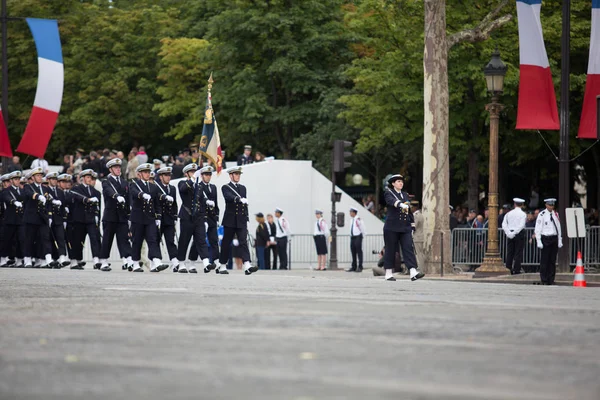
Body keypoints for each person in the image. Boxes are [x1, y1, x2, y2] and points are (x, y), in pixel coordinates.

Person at [382, 174, 424, 282]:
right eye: (398, 181)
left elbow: (408, 211)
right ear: (393, 184)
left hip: (404, 226)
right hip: (392, 226)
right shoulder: (388, 193)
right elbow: (390, 201)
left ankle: (413, 271)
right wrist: (400, 204)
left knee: (408, 248)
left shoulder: (405, 195)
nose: (401, 183)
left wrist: (412, 225)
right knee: (390, 249)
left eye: (401, 181)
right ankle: (388, 273)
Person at [216, 166, 257, 275]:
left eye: (239, 174)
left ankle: (247, 264)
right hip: (230, 219)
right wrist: (238, 199)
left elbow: (245, 205)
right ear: (231, 175)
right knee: (226, 242)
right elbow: (228, 197)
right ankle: (223, 265)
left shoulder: (243, 188)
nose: (238, 176)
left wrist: (247, 218)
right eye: (236, 174)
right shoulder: (226, 187)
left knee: (243, 241)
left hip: (241, 220)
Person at [176, 163, 213, 274]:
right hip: (186, 217)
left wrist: (205, 218)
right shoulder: (182, 183)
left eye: (195, 172)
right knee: (184, 240)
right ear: (186, 174)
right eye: (192, 172)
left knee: (201, 240)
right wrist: (192, 179)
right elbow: (183, 189)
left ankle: (206, 263)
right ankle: (181, 263)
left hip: (198, 217)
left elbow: (201, 202)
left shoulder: (200, 186)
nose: (194, 174)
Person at [99, 158, 133, 272]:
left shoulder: (124, 182)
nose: (118, 169)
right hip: (110, 215)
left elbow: (128, 200)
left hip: (122, 216)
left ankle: (128, 259)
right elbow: (108, 191)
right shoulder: (106, 181)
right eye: (115, 168)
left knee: (124, 239)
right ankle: (103, 260)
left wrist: (129, 215)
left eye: (119, 167)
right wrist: (116, 196)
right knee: (107, 239)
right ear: (110, 169)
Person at [22, 168, 54, 268]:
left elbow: (48, 203)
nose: (40, 177)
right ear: (33, 177)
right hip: (31, 217)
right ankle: (27, 259)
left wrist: (49, 216)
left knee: (45, 238)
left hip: (42, 218)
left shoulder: (45, 188)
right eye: (37, 176)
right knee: (29, 239)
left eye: (41, 175)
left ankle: (48, 259)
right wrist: (37, 196)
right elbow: (28, 194)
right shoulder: (28, 186)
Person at [69, 169, 102, 269]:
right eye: (87, 177)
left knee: (94, 239)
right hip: (79, 219)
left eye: (91, 178)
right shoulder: (77, 188)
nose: (89, 179)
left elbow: (98, 207)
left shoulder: (95, 192)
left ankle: (96, 260)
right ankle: (75, 260)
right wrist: (86, 199)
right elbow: (74, 195)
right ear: (83, 178)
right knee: (78, 240)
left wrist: (97, 217)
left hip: (91, 219)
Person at [154, 167, 178, 272]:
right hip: (159, 218)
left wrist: (175, 216)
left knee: (170, 241)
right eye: (166, 175)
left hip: (169, 219)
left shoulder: (172, 188)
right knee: (156, 241)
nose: (168, 177)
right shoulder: (155, 187)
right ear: (161, 176)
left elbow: (174, 204)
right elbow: (156, 197)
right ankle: (154, 262)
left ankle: (174, 261)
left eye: (169, 175)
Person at [534, 198, 562, 285]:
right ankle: (544, 279)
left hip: (554, 238)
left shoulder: (555, 214)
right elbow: (538, 229)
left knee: (552, 260)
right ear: (546, 205)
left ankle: (551, 279)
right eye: (550, 205)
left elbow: (558, 227)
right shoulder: (542, 215)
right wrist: (538, 240)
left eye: (552, 205)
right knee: (544, 260)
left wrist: (559, 239)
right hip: (545, 238)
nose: (551, 207)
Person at [0, 171, 25, 267]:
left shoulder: (21, 190)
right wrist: (14, 202)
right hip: (10, 219)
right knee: (7, 240)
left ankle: (18, 260)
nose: (18, 181)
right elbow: (6, 197)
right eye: (15, 179)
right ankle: (2, 259)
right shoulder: (6, 190)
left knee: (20, 240)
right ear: (11, 180)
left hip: (20, 219)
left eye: (19, 179)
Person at [45, 172, 69, 268]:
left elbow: (63, 207)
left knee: (60, 238)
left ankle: (62, 257)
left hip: (58, 219)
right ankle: (53, 259)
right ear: (48, 180)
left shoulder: (60, 192)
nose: (54, 181)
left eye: (55, 179)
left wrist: (64, 219)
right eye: (52, 179)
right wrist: (49, 217)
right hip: (49, 218)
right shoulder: (45, 190)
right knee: (50, 239)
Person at [198, 165, 220, 263]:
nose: (208, 176)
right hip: (202, 217)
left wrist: (217, 215)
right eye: (206, 174)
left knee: (214, 240)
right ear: (202, 175)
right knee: (199, 241)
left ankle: (216, 261)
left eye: (209, 175)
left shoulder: (213, 187)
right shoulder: (198, 186)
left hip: (212, 217)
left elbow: (216, 202)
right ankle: (192, 260)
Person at [502, 197, 527, 275]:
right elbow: (521, 225)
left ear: (514, 204)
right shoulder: (523, 214)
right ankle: (516, 269)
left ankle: (508, 268)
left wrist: (509, 233)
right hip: (519, 233)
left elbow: (504, 224)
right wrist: (515, 233)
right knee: (518, 252)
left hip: (510, 232)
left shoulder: (508, 213)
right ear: (522, 205)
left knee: (510, 252)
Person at [347, 207, 366, 272]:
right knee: (353, 252)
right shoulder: (352, 220)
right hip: (352, 237)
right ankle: (354, 266)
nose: (350, 213)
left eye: (351, 212)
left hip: (358, 236)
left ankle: (360, 266)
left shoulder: (358, 219)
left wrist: (362, 235)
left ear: (354, 212)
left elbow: (362, 228)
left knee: (359, 251)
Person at [411, 200, 425, 271]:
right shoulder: (420, 214)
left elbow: (414, 226)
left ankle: (422, 269)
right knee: (420, 253)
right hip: (420, 237)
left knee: (419, 254)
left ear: (415, 208)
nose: (411, 209)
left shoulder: (416, 216)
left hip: (417, 237)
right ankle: (421, 268)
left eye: (412, 207)